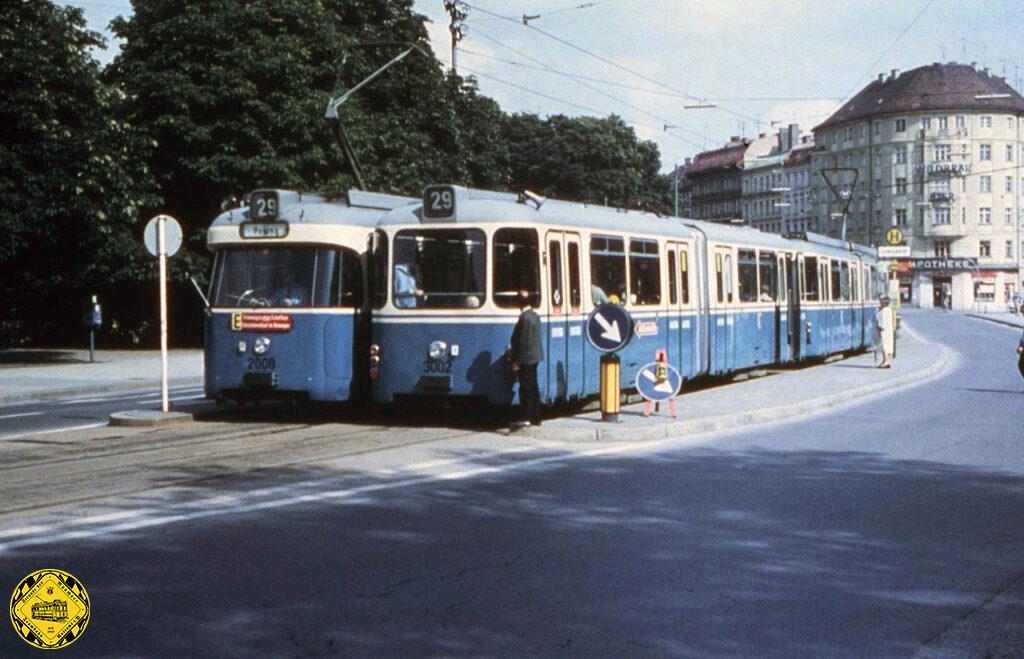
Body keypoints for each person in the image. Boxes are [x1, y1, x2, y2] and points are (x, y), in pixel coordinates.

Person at [510, 290, 543, 427]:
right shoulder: (534, 315)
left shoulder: (525, 318)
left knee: (526, 388)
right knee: (533, 387)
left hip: (526, 359)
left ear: (519, 303)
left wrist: (517, 361)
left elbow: (523, 341)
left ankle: (527, 416)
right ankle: (536, 416)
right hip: (533, 357)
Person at [876, 295, 895, 369]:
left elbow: (882, 321)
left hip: (884, 330)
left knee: (884, 346)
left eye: (880, 301)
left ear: (883, 302)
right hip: (888, 329)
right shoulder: (889, 309)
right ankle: (885, 361)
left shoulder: (884, 310)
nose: (879, 302)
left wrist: (881, 329)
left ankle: (885, 362)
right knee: (887, 345)